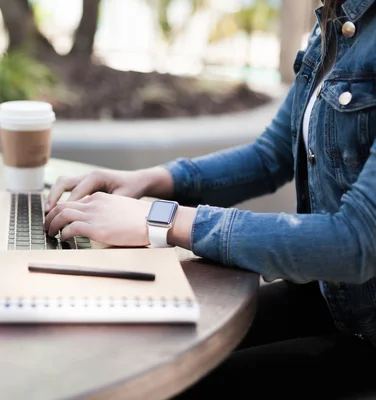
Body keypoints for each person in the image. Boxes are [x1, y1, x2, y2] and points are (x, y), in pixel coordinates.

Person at [43, 0, 376, 398]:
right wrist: (151, 180)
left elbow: (355, 241)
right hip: (332, 301)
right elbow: (270, 155)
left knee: (173, 384)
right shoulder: (336, 19)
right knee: (133, 345)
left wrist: (161, 220)